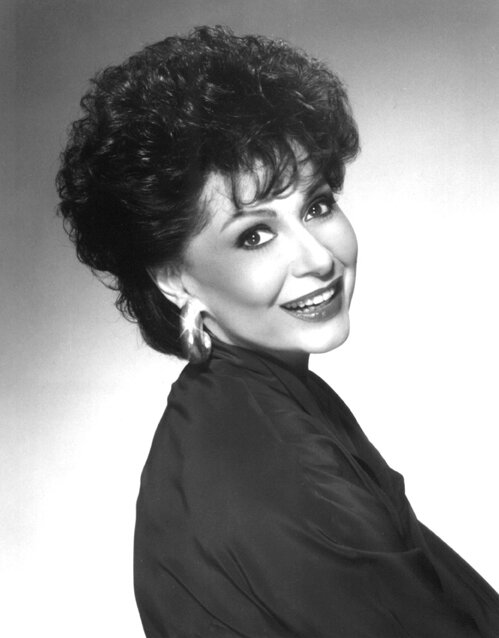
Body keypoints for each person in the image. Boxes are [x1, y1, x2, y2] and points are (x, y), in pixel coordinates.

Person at [57, 25, 499, 638]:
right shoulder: (274, 461)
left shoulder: (236, 407)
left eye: (317, 205)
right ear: (172, 276)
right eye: (255, 235)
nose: (318, 257)